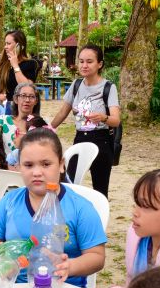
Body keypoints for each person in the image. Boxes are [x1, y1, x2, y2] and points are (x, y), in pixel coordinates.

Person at [0, 127, 106, 288]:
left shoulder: (80, 208)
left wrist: (70, 266)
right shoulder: (9, 202)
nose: (37, 172)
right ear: (18, 167)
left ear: (61, 165)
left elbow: (96, 256)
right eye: (28, 165)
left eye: (46, 164)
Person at [51, 45, 121, 198]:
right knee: (69, 185)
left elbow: (116, 121)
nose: (84, 65)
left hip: (102, 141)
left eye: (89, 61)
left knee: (100, 191)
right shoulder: (76, 85)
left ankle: (100, 220)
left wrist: (104, 118)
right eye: (81, 61)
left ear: (99, 64)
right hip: (80, 139)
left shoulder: (109, 87)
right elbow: (63, 112)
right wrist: (48, 129)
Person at [0, 82, 40, 165]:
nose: (27, 100)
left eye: (31, 97)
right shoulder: (3, 120)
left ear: (36, 101)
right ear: (15, 99)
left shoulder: (41, 124)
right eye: (23, 96)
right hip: (6, 170)